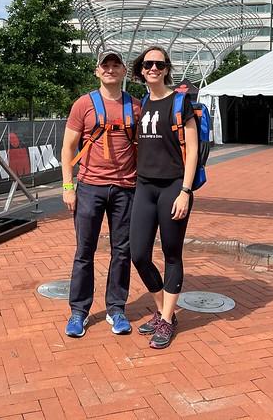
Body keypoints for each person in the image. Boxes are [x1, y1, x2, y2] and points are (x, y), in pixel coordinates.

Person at [61, 50, 141, 338]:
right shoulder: (84, 104)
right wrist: (68, 187)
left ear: (124, 72)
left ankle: (116, 308)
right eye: (105, 65)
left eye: (115, 65)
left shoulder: (136, 106)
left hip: (125, 189)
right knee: (84, 251)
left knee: (122, 251)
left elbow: (143, 147)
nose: (110, 69)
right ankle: (79, 311)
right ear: (97, 71)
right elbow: (68, 147)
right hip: (90, 187)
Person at [129, 46, 198, 349]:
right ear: (141, 70)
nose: (153, 69)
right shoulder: (142, 103)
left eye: (159, 64)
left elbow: (193, 150)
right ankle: (163, 311)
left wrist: (185, 191)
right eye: (148, 64)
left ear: (167, 68)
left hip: (173, 187)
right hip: (144, 187)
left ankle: (167, 319)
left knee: (171, 254)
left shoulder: (181, 102)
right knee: (138, 254)